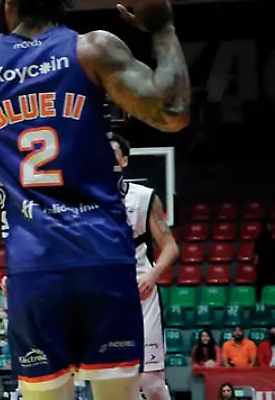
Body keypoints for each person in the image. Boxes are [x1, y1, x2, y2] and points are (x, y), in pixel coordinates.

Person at [0, 0, 191, 400]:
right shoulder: (93, 49)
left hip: (35, 264)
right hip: (103, 257)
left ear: (7, 1)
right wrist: (162, 29)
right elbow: (173, 112)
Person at [115, 133, 178, 400]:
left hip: (141, 291)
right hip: (102, 294)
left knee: (151, 381)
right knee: (113, 381)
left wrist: (152, 274)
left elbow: (170, 247)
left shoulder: (143, 197)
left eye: (112, 153)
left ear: (124, 161)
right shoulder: (83, 199)